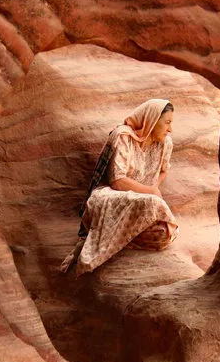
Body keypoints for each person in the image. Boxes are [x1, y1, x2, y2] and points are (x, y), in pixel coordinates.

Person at [61, 98, 178, 275]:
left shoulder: (165, 143)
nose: (170, 129)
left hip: (141, 200)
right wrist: (151, 192)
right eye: (167, 123)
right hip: (112, 196)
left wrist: (152, 187)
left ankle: (120, 238)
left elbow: (163, 170)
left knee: (163, 234)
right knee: (154, 205)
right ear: (152, 120)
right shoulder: (123, 136)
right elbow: (117, 181)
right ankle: (106, 240)